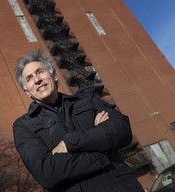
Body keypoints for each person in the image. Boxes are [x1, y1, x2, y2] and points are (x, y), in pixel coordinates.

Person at [13, 50, 144, 192]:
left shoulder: (87, 99)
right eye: (29, 78)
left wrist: (70, 142)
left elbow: (122, 130)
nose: (37, 79)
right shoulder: (24, 126)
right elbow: (47, 172)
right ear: (27, 92)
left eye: (40, 72)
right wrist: (102, 151)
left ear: (54, 76)